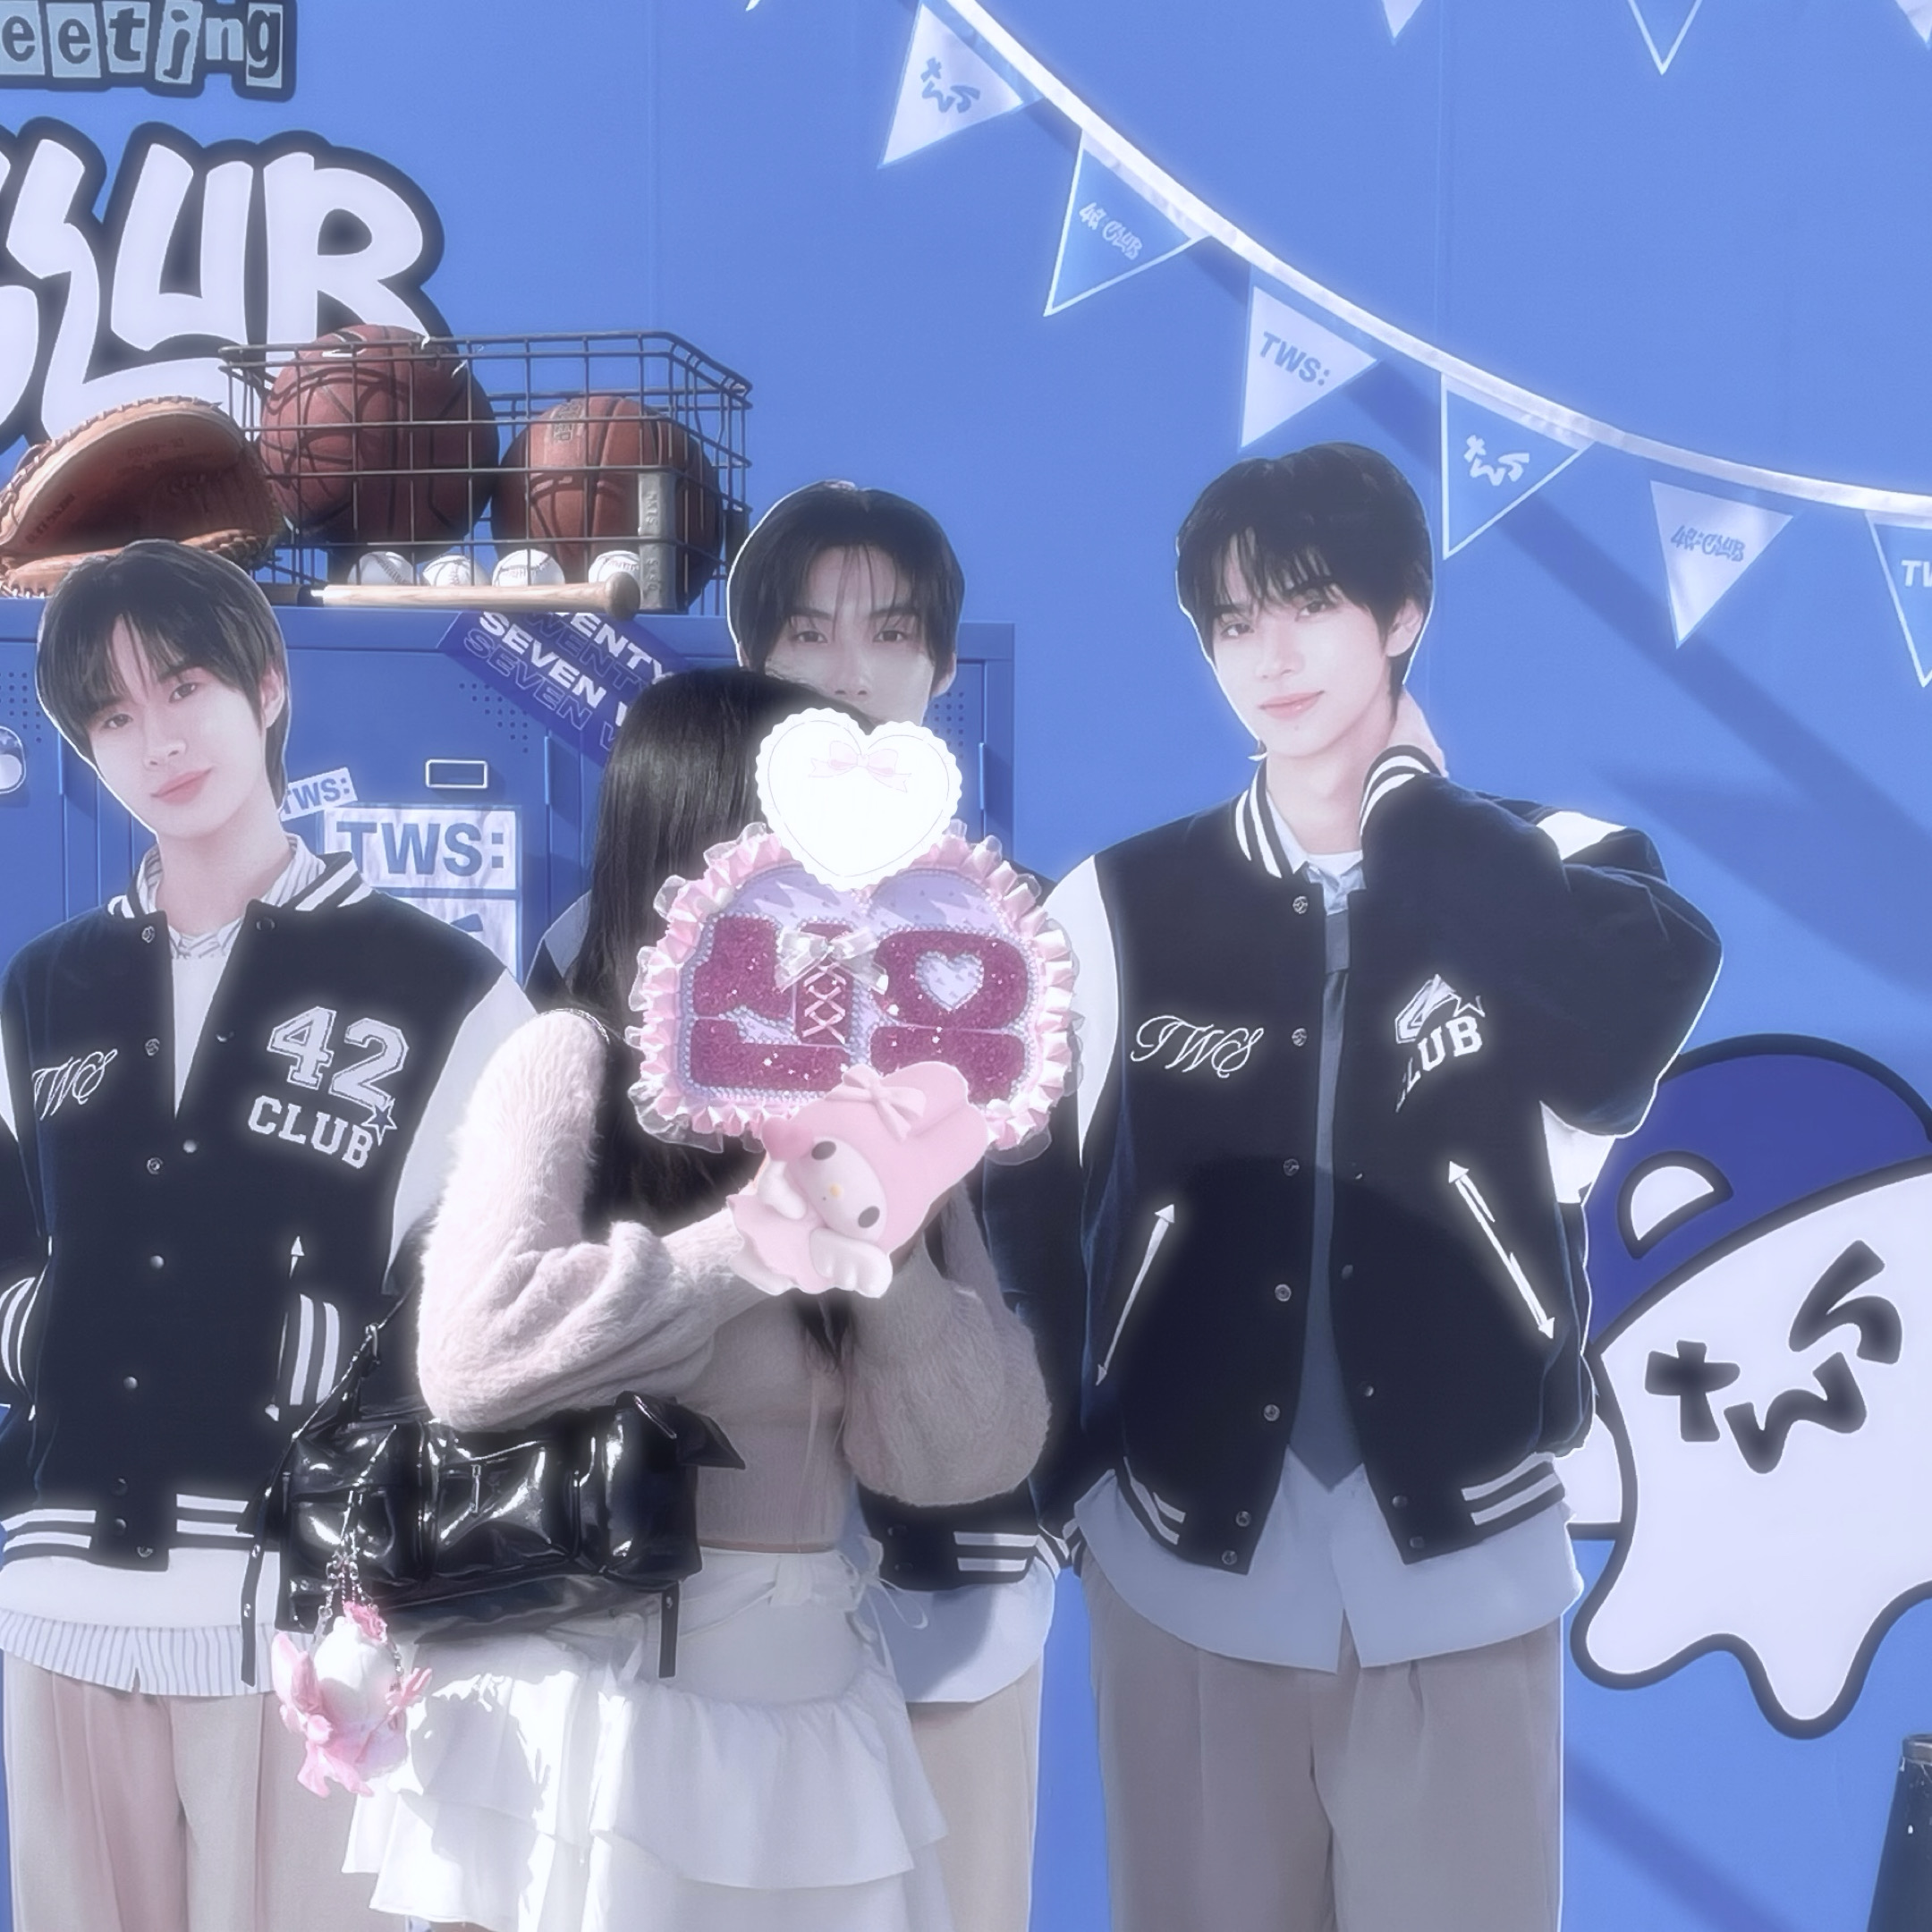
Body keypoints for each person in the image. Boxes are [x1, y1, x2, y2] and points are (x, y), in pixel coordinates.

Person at [986, 444, 1723, 1932]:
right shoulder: (1116, 904)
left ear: (1404, 615)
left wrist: (1417, 816)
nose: (1271, 657)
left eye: (1311, 605)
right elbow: (1030, 1223)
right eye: (1233, 623)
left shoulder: (1556, 865)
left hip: (1463, 1560)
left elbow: (1606, 1056)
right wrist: (1064, 1481)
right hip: (1182, 1567)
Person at [345, 664, 1050, 1932]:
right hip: (587, 1707)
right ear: (707, 843)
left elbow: (969, 1459)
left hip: (807, 1699)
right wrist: (750, 1242)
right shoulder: (568, 1058)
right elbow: (472, 1357)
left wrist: (885, 1252)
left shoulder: (891, 1091)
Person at [524, 483, 1057, 1932]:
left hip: (956, 1532)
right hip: (676, 1559)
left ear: (943, 664)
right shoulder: (608, 937)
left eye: (891, 632)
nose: (850, 671)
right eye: (809, 634)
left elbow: (1065, 1227)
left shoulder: (1017, 932)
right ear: (754, 662)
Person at [0, 540, 532, 1932]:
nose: (159, 740)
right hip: (58, 1592)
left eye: (183, 688)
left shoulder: (441, 986)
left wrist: (334, 1375)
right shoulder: (45, 988)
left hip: (309, 1611)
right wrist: (36, 1335)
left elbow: (504, 1286)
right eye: (113, 715)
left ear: (269, 686)